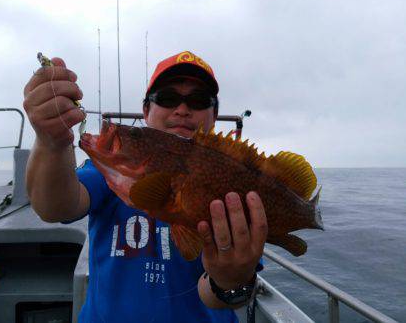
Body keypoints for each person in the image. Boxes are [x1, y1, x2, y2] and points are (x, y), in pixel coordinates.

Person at [23, 50, 268, 323]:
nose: (182, 109)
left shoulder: (231, 181)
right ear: (146, 111)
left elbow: (216, 296)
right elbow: (56, 207)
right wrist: (51, 142)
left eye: (198, 101)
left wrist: (229, 281)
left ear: (214, 115)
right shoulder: (112, 168)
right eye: (167, 98)